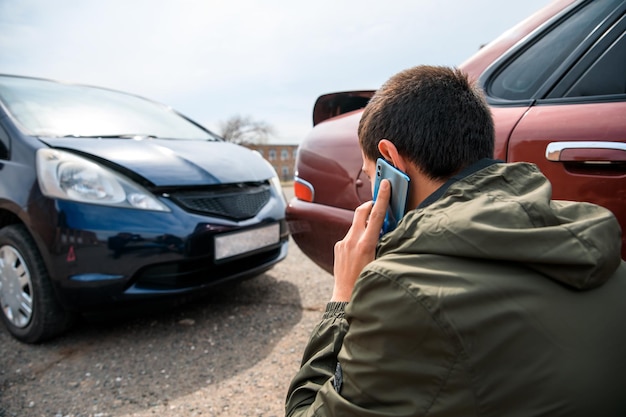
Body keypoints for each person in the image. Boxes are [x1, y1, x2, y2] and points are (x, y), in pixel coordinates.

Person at [285, 65, 626, 416]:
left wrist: (343, 298)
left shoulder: (400, 288)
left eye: (371, 175)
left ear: (390, 159)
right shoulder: (596, 246)